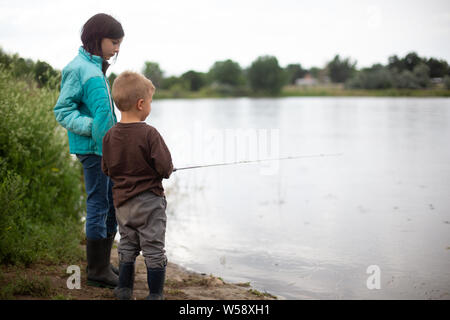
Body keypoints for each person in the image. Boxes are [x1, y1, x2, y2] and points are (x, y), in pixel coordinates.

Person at [53, 13, 124, 288]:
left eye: (119, 43)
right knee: (98, 203)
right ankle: (96, 271)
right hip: (93, 150)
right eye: (114, 42)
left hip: (106, 148)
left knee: (111, 205)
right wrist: (94, 126)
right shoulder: (78, 68)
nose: (117, 48)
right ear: (97, 38)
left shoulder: (96, 68)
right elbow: (63, 110)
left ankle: (103, 264)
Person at [102, 71, 173, 300]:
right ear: (141, 104)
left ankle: (124, 289)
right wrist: (167, 171)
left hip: (122, 204)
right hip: (150, 203)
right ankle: (155, 295)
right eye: (150, 102)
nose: (150, 106)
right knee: (153, 248)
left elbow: (107, 169)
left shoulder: (110, 136)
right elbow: (164, 167)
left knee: (127, 245)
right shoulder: (150, 133)